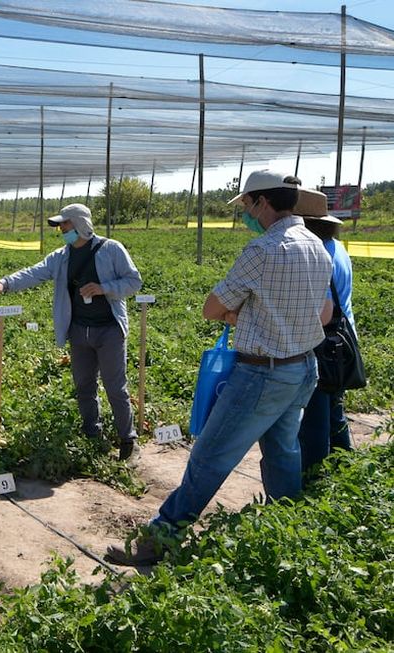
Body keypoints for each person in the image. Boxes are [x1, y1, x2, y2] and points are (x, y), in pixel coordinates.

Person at [106, 171, 333, 567]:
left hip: (262, 373)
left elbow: (212, 308)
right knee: (282, 452)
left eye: (246, 205)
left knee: (209, 456)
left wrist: (242, 315)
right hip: (302, 368)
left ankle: (161, 539)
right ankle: (287, 537)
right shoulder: (317, 245)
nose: (244, 213)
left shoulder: (263, 249)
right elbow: (326, 313)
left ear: (262, 203)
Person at [0, 203, 143, 463]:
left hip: (109, 330)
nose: (61, 230)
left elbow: (134, 282)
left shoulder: (112, 249)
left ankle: (128, 440)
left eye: (65, 224)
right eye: (60, 226)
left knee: (116, 388)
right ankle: (93, 434)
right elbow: (34, 272)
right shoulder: (61, 256)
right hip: (79, 330)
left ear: (81, 224)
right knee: (84, 386)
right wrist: (5, 283)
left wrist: (103, 288)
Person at [294, 189, 356, 477]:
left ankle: (314, 477)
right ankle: (346, 469)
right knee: (334, 409)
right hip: (343, 341)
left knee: (315, 417)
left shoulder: (315, 252)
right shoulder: (338, 247)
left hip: (322, 342)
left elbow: (318, 308)